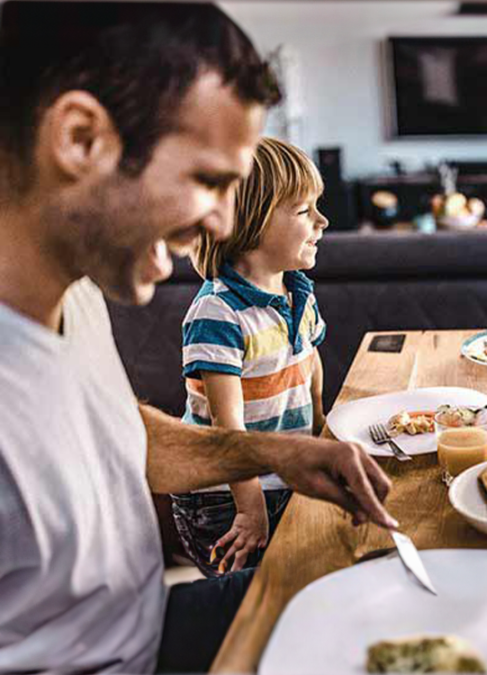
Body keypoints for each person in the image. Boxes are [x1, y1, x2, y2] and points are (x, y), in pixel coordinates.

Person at [0, 4, 396, 673]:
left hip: (154, 627)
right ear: (80, 139)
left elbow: (122, 436)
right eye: (208, 180)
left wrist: (277, 449)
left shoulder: (78, 289)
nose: (220, 219)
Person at [173, 137, 330, 577]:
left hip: (278, 473)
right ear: (250, 222)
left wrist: (320, 432)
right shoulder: (217, 312)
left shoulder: (295, 290)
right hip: (226, 496)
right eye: (304, 211)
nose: (322, 221)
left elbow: (308, 362)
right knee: (256, 600)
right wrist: (251, 508)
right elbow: (229, 429)